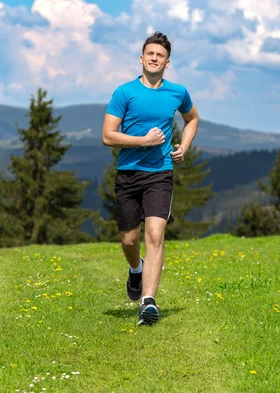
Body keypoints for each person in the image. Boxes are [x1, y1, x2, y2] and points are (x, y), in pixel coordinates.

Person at [101, 31, 199, 325]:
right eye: (151, 54)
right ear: (141, 58)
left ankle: (148, 302)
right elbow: (108, 136)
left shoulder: (177, 92)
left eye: (161, 55)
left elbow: (192, 118)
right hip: (129, 174)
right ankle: (135, 269)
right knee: (129, 239)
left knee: (155, 234)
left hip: (161, 174)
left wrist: (185, 145)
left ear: (167, 62)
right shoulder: (124, 92)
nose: (155, 58)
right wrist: (143, 141)